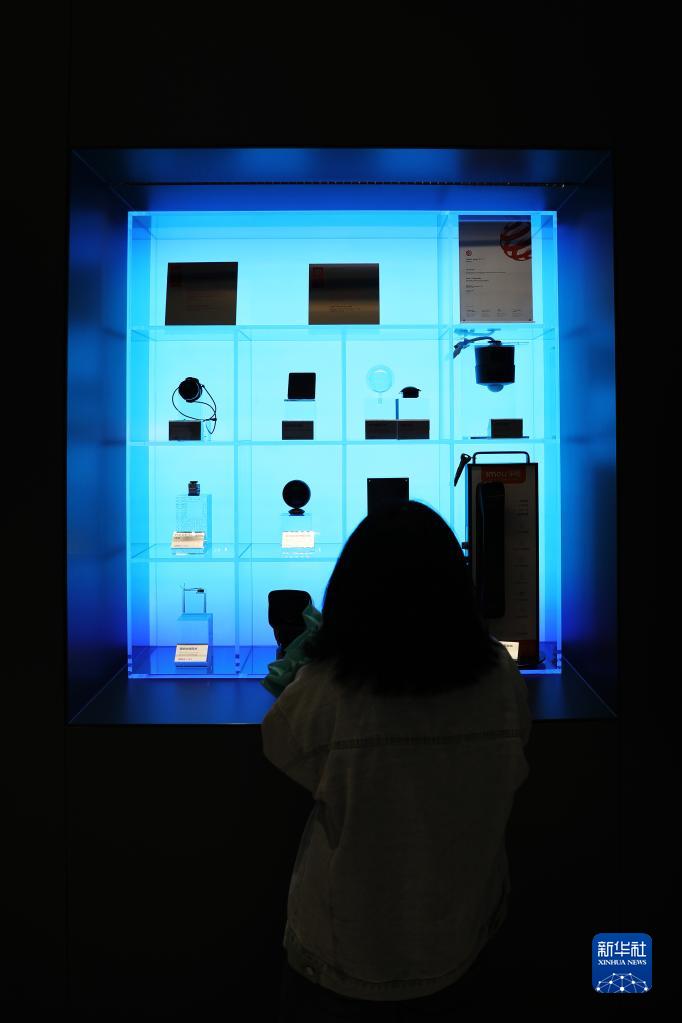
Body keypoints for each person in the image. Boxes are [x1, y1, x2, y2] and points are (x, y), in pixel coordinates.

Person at [260, 500, 531, 1021]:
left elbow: (280, 745)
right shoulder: (499, 676)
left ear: (351, 592)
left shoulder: (328, 689)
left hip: (346, 952)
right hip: (462, 939)